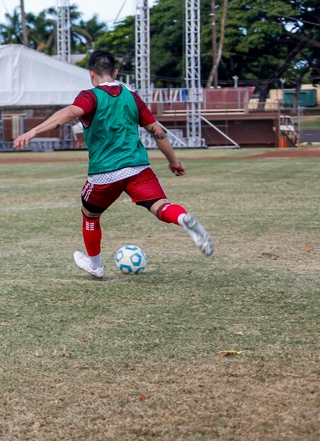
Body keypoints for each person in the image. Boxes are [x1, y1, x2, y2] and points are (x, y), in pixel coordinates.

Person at [13, 50, 214, 279]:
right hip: (139, 168)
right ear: (116, 72)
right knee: (160, 205)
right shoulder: (133, 97)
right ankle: (181, 218)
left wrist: (34, 130)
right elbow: (157, 131)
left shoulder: (90, 96)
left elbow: (70, 112)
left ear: (91, 74)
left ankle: (96, 265)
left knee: (90, 215)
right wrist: (174, 162)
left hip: (105, 174)